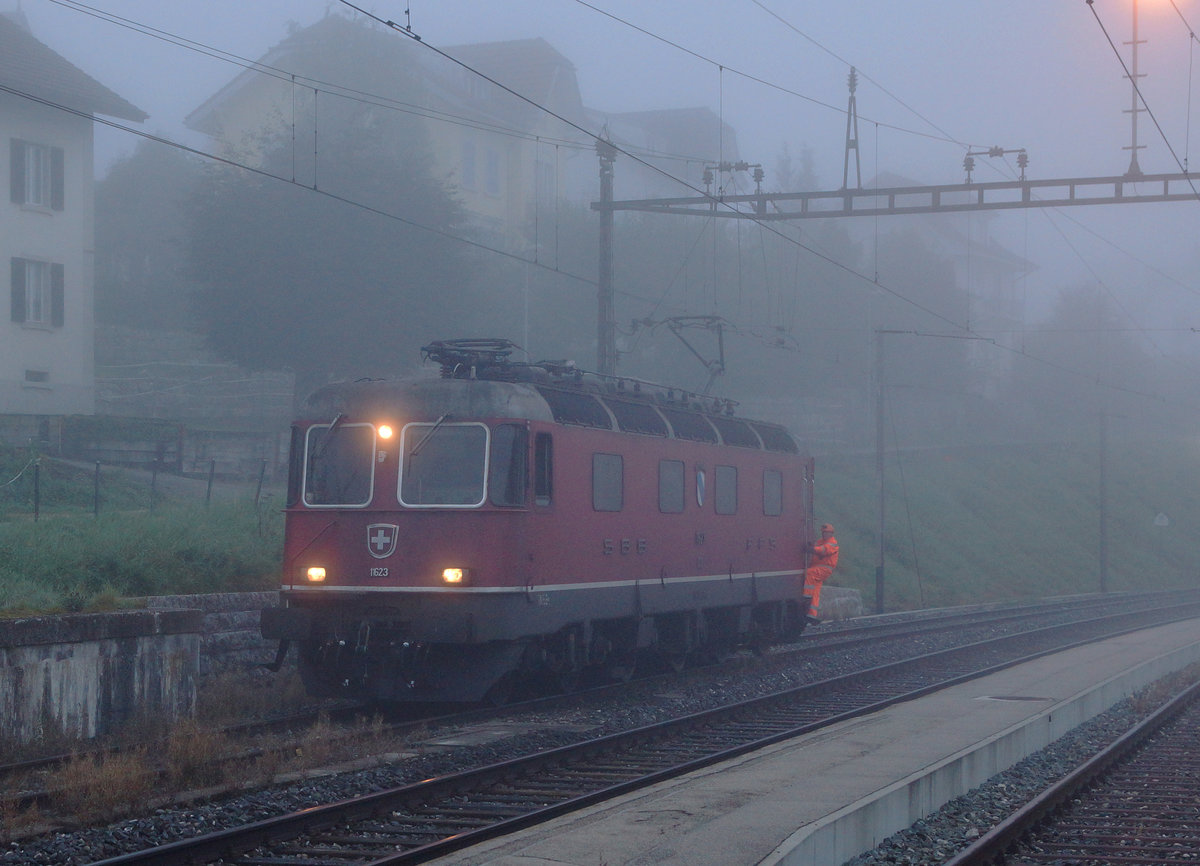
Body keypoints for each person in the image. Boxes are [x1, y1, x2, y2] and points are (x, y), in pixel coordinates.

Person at [803, 523, 839, 624]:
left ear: (831, 534)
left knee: (810, 573)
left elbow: (824, 550)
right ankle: (811, 615)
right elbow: (816, 546)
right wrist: (811, 546)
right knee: (816, 590)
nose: (825, 534)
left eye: (827, 533)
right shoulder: (820, 542)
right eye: (823, 533)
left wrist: (812, 549)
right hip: (818, 568)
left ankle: (807, 597)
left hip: (824, 569)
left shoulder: (832, 543)